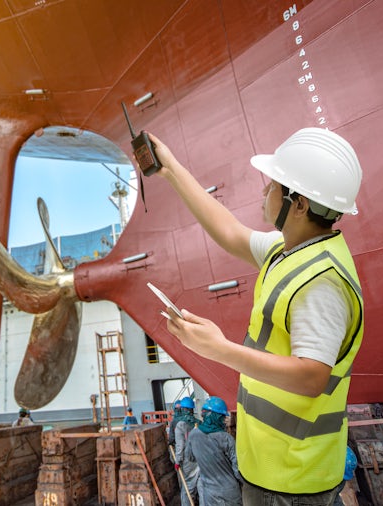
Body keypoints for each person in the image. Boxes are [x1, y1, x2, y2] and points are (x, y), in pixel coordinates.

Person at [151, 127, 365, 504]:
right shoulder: (288, 250)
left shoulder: (322, 281)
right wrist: (170, 169)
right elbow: (229, 231)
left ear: (298, 204)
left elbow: (312, 376)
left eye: (273, 186)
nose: (264, 193)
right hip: (272, 469)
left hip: (292, 481)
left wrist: (218, 349)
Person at [186, 396, 240, 505]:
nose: (224, 421)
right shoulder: (226, 438)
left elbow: (190, 457)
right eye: (222, 418)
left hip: (209, 493)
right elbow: (237, 471)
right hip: (229, 492)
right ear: (216, 416)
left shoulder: (193, 435)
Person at [174, 396, 201, 505]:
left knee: (187, 488)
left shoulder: (180, 425)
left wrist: (177, 461)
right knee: (200, 485)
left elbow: (180, 446)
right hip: (200, 458)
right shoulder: (199, 423)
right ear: (192, 409)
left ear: (182, 409)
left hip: (187, 461)